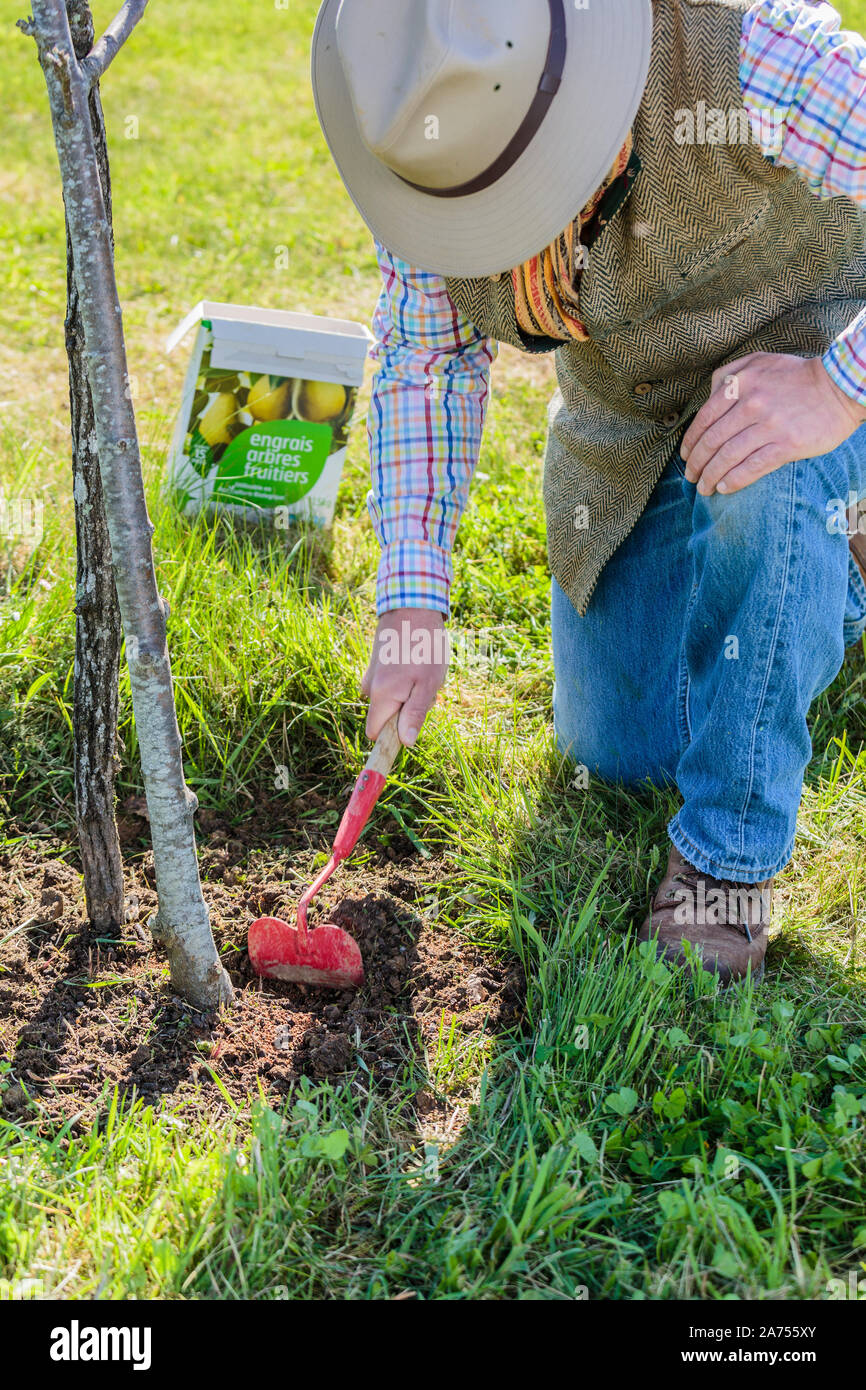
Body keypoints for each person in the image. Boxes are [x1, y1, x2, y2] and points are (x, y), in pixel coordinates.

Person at [311, 0, 866, 982]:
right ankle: (802, 589)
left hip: (812, 379)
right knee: (618, 750)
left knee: (770, 481)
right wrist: (410, 601)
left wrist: (833, 388)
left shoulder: (741, 43)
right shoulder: (416, 129)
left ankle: (725, 868)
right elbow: (423, 362)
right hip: (632, 431)